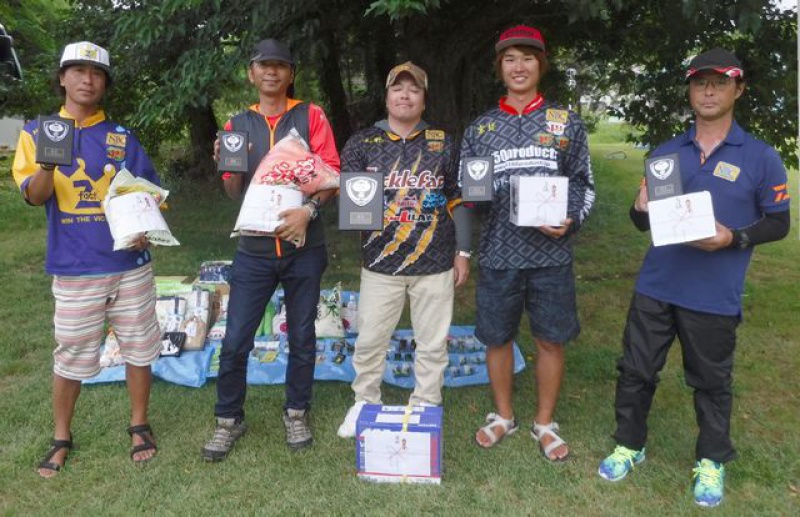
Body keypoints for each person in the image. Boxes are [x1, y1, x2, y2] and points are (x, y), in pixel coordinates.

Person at [597, 48, 791, 508]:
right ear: (689, 90)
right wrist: (639, 208)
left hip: (713, 295)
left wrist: (733, 237)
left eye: (719, 82)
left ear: (738, 90)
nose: (708, 90)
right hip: (656, 285)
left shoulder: (761, 157)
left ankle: (711, 459)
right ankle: (630, 443)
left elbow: (778, 222)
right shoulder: (667, 153)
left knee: (711, 382)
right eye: (700, 82)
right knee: (636, 372)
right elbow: (643, 222)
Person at [12, 41, 163, 477]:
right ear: (62, 78)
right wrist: (47, 163)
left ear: (104, 84)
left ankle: (139, 424)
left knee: (139, 348)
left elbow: (147, 193)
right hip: (75, 266)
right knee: (73, 353)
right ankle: (62, 435)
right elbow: (34, 197)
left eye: (96, 73)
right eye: (77, 71)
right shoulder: (35, 131)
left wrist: (144, 226)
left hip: (129, 265)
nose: (87, 79)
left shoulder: (121, 136)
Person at [460, 26, 595, 460]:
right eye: (510, 59)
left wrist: (570, 220)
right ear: (499, 67)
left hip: (550, 254)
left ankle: (544, 422)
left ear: (541, 65)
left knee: (550, 340)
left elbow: (584, 184)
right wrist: (472, 198)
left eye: (528, 58)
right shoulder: (480, 129)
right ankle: (503, 416)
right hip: (499, 251)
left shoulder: (565, 122)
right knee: (497, 338)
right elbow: (470, 195)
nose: (519, 67)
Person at [202, 38, 340, 460]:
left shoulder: (311, 115)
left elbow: (332, 174)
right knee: (236, 340)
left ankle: (296, 411)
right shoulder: (236, 124)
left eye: (281, 66)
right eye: (265, 66)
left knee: (301, 337)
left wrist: (309, 211)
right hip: (254, 251)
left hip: (304, 246)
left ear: (290, 73)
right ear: (252, 73)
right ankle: (229, 419)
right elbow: (232, 194)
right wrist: (227, 168)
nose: (272, 72)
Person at [335, 62, 471, 438]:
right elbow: (349, 197)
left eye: (414, 89)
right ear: (387, 96)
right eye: (398, 88)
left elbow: (458, 199)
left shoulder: (444, 141)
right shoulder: (363, 142)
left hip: (436, 260)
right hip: (380, 262)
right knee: (370, 339)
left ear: (424, 99)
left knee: (432, 342)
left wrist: (464, 252)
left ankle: (426, 403)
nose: (405, 95)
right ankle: (365, 401)